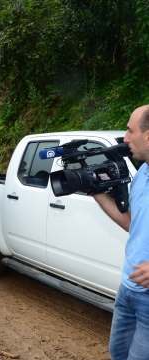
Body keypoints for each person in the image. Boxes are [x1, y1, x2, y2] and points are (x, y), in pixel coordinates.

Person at [92, 105, 149, 359]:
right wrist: (95, 192)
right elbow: (130, 224)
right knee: (117, 355)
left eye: (129, 131)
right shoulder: (143, 173)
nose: (125, 138)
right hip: (127, 290)